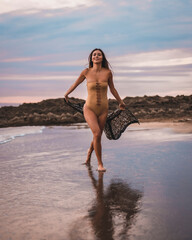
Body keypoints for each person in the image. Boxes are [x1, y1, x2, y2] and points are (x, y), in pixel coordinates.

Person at [64, 48, 125, 172]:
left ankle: (89, 153)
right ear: (91, 58)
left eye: (99, 54)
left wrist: (120, 101)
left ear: (102, 58)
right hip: (89, 108)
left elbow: (112, 89)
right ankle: (100, 164)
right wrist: (66, 94)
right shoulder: (86, 72)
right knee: (97, 133)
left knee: (97, 136)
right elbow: (75, 84)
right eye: (94, 55)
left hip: (103, 109)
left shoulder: (108, 73)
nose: (96, 56)